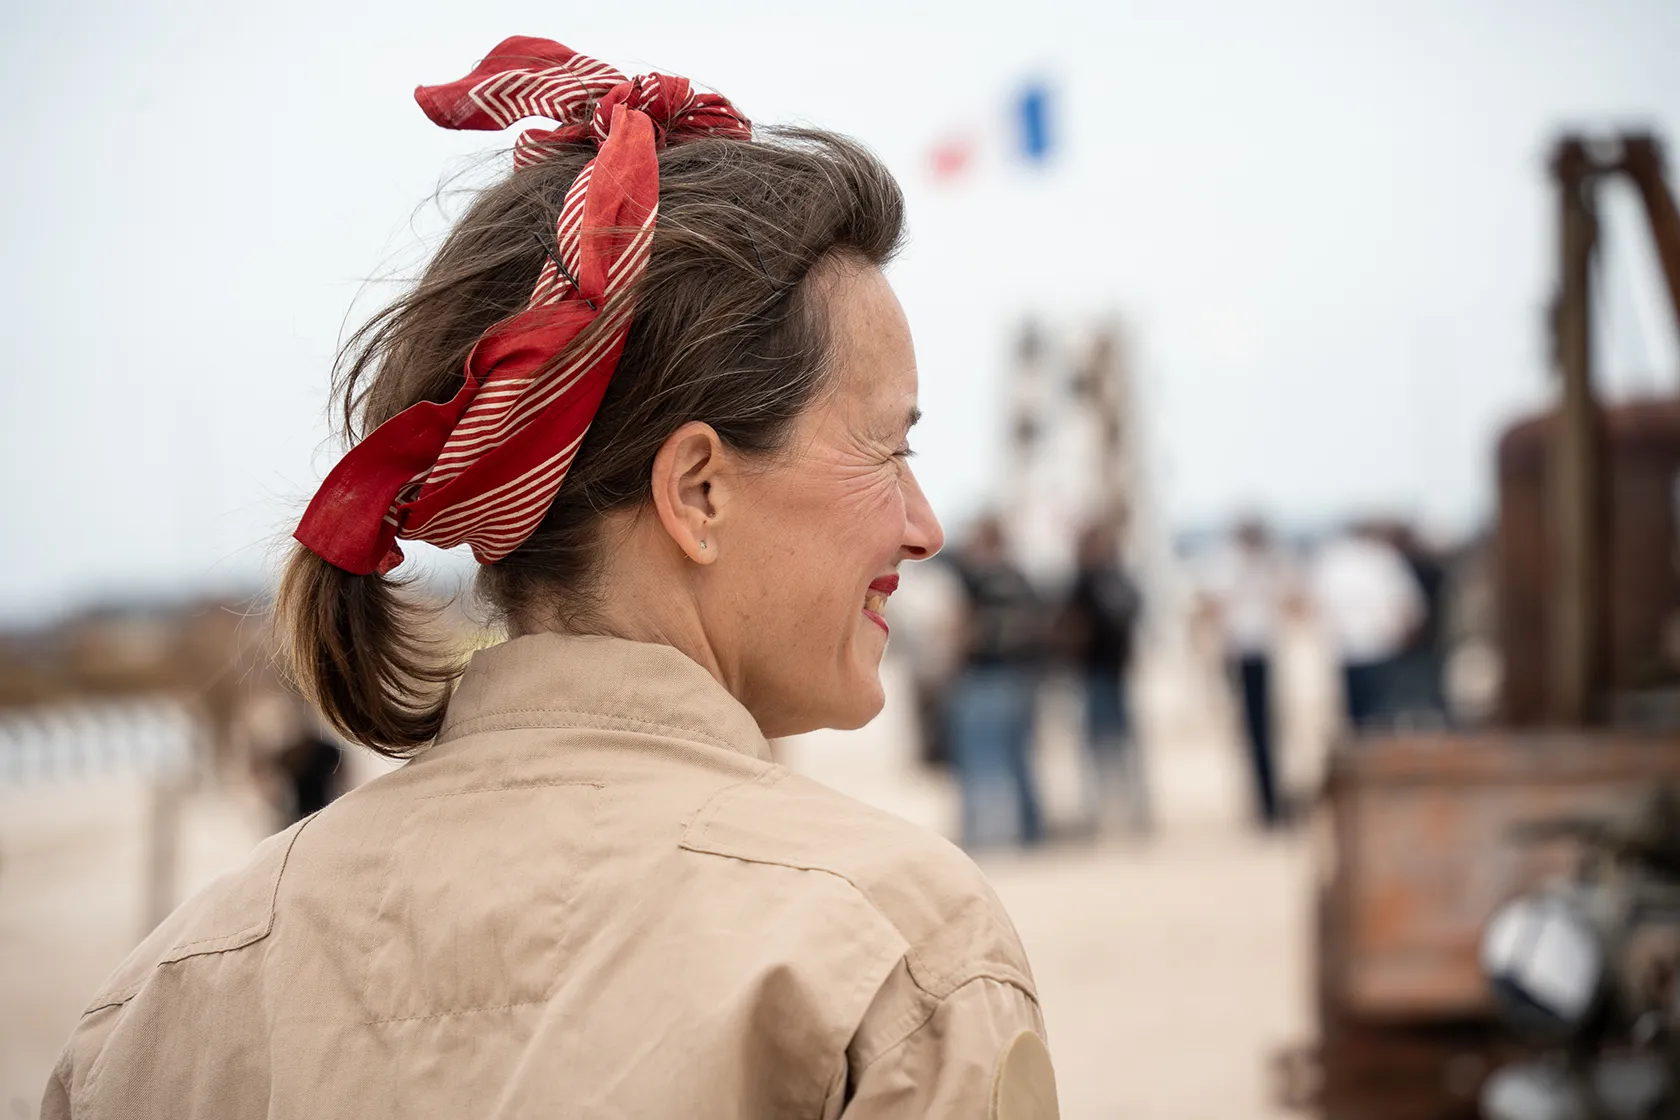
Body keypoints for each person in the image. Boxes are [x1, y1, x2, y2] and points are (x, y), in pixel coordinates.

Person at [44, 38, 1058, 1120]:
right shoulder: (895, 950)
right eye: (889, 448)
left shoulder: (162, 999)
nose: (924, 527)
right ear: (699, 493)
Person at [946, 514, 1048, 849]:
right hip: (1021, 677)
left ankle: (987, 835)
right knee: (1019, 759)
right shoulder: (1019, 577)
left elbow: (965, 628)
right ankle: (1029, 831)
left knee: (981, 759)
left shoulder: (977, 578)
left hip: (984, 674)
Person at [1197, 518, 1293, 828]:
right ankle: (1264, 801)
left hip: (1262, 650)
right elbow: (1209, 606)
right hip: (1240, 653)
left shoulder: (1268, 563)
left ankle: (1272, 798)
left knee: (1269, 728)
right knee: (1253, 731)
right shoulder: (1227, 564)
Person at [1059, 517, 1149, 836]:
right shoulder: (1111, 578)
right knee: (1113, 746)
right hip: (1102, 671)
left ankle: (1118, 811)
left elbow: (1075, 625)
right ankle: (1124, 811)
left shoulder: (1093, 580)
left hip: (1101, 671)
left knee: (1106, 746)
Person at [1309, 522, 1426, 731]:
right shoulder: (1379, 559)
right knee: (1372, 714)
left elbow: (1406, 605)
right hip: (1361, 649)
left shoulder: (1372, 559)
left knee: (1373, 714)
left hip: (1376, 648)